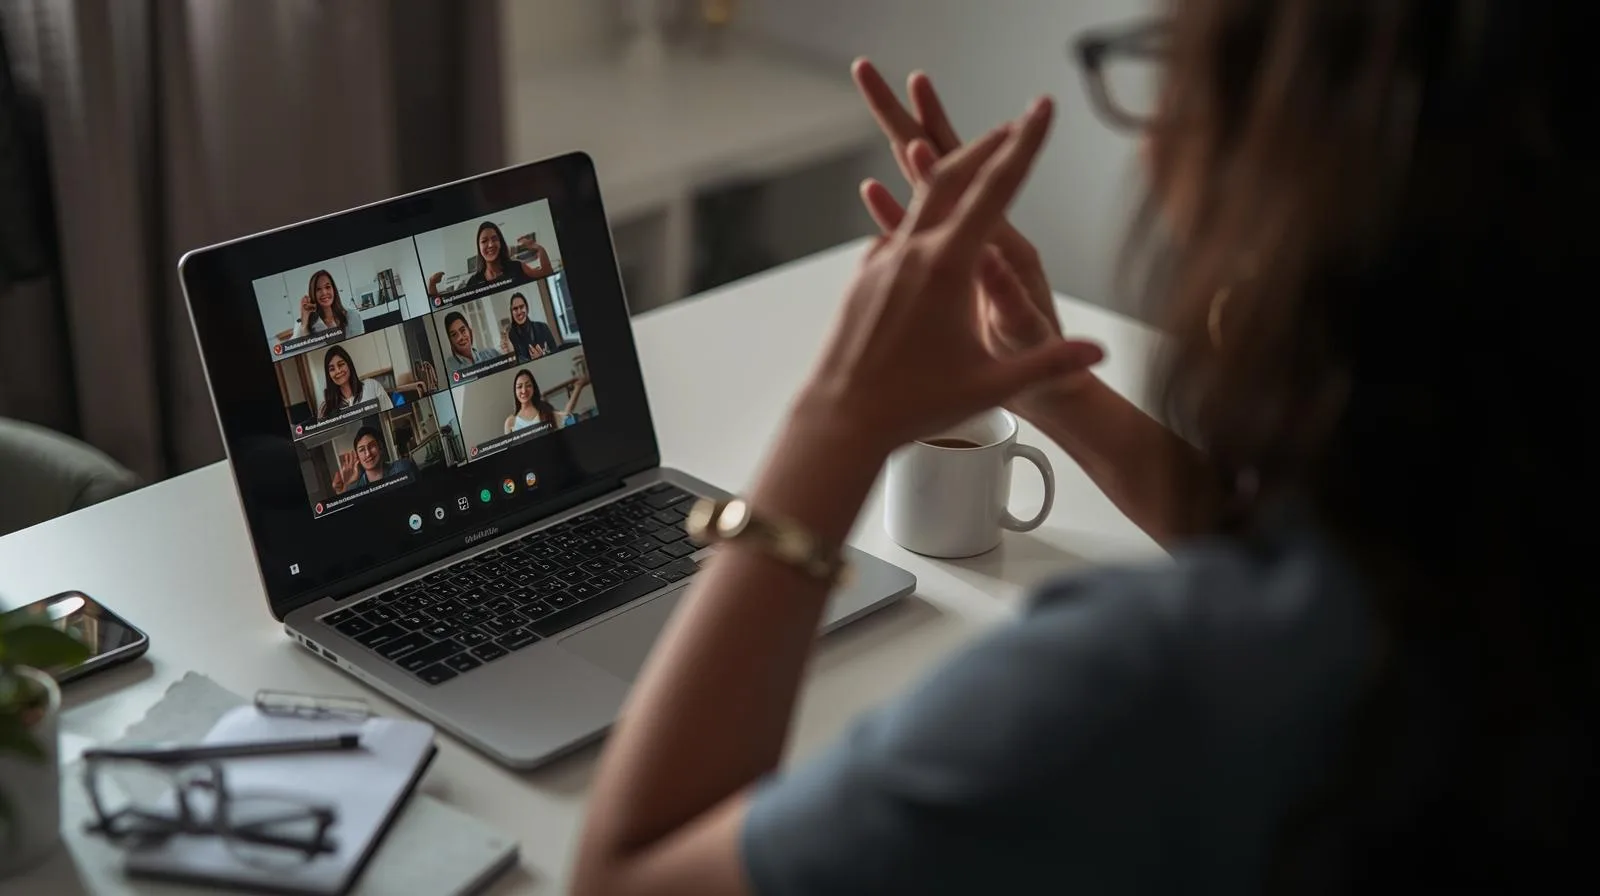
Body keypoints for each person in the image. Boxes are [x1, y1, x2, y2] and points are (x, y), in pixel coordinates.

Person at [569, 4, 1594, 895]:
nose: (1150, 148)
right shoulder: (1495, 538)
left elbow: (625, 873)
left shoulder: (1129, 689)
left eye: (1181, 75)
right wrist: (1047, 379)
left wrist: (834, 420)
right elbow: (1307, 563)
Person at [426, 221, 546, 299]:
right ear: (479, 247)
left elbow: (547, 272)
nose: (490, 245)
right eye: (484, 241)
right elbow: (443, 302)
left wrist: (538, 248)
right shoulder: (473, 282)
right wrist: (432, 284)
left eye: (494, 239)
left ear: (500, 242)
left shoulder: (518, 267)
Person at [330, 425, 417, 495]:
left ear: (380, 447)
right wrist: (344, 491)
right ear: (357, 457)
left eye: (371, 446)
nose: (368, 454)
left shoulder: (403, 467)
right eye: (362, 450)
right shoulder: (355, 489)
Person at [502, 368, 587, 436]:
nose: (524, 390)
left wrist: (578, 388)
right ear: (515, 390)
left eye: (528, 385)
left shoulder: (544, 409)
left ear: (533, 388)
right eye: (519, 387)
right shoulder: (510, 422)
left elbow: (565, 416)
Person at [317, 345, 392, 420]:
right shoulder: (325, 408)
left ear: (349, 364)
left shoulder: (372, 385)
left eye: (341, 364)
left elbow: (389, 413)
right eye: (332, 369)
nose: (338, 371)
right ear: (328, 375)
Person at [292, 269, 364, 339]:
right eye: (318, 289)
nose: (324, 292)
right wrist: (304, 323)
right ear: (313, 294)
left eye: (327, 287)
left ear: (333, 289)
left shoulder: (353, 315)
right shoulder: (306, 322)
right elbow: (302, 347)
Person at [499, 292, 560, 361]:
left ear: (527, 308)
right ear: (511, 312)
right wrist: (507, 354)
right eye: (515, 309)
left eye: (521, 307)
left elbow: (555, 353)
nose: (519, 312)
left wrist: (543, 356)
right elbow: (512, 362)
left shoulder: (543, 327)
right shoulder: (509, 336)